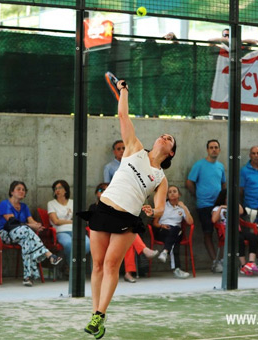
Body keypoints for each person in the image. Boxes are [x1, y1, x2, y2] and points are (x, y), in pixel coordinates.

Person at [80, 78, 176, 339]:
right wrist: (123, 90)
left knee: (112, 265)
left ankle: (101, 314)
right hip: (103, 210)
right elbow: (122, 114)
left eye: (170, 140)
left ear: (170, 153)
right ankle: (95, 315)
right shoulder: (133, 148)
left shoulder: (160, 178)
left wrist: (152, 213)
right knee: (97, 265)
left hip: (127, 218)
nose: (165, 137)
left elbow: (158, 208)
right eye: (163, 135)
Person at [0, 180, 63, 287]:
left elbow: (31, 221)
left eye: (23, 190)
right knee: (27, 230)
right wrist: (31, 226)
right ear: (12, 192)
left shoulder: (24, 207)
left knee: (27, 242)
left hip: (22, 235)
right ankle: (48, 254)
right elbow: (12, 222)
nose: (21, 191)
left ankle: (27, 277)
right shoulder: (5, 204)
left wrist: (38, 225)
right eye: (18, 189)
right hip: (4, 234)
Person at [89, 183, 159, 284]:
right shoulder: (93, 207)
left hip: (115, 234)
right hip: (101, 235)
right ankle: (143, 250)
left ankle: (128, 273)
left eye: (107, 190)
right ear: (96, 193)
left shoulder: (115, 205)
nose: (104, 192)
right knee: (126, 234)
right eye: (101, 190)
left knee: (127, 240)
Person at [186, 139, 226, 272]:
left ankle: (222, 259)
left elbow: (223, 184)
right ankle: (215, 262)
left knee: (222, 232)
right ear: (207, 150)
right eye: (211, 147)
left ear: (219, 150)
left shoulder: (220, 166)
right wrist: (198, 195)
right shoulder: (199, 165)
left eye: (216, 147)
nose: (214, 149)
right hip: (204, 206)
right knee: (208, 233)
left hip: (218, 206)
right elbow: (189, 182)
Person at [211, 189, 258, 276]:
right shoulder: (217, 208)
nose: (229, 199)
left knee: (253, 237)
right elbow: (214, 219)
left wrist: (233, 202)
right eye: (227, 198)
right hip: (226, 233)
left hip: (237, 231)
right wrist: (222, 207)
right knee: (239, 239)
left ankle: (251, 263)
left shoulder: (234, 207)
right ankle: (243, 265)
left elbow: (241, 211)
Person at [152, 185, 193, 279]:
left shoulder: (182, 207)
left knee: (175, 231)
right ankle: (177, 269)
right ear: (167, 196)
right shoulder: (162, 206)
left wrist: (184, 208)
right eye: (169, 192)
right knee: (176, 235)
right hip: (162, 231)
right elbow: (154, 223)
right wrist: (162, 225)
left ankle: (165, 251)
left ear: (179, 194)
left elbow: (190, 222)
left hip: (175, 232)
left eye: (174, 191)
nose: (172, 193)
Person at [47, 179, 90, 264]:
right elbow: (55, 221)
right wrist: (71, 221)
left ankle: (74, 265)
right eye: (55, 189)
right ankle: (71, 267)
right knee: (69, 244)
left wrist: (66, 221)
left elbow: (80, 219)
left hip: (76, 230)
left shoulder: (73, 203)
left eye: (60, 188)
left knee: (87, 244)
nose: (57, 190)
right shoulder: (51, 203)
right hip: (61, 231)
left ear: (66, 190)